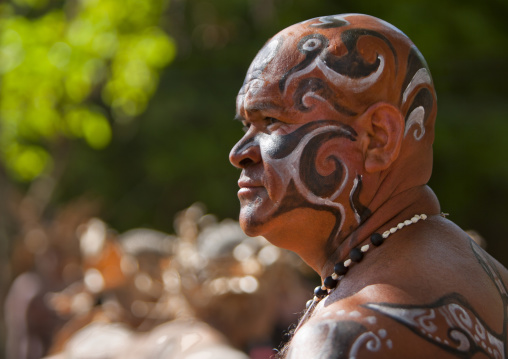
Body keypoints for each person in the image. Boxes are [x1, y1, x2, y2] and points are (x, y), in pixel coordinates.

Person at [229, 13, 508, 358]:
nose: (238, 153)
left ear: (378, 138)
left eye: (271, 120)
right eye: (246, 125)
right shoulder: (495, 282)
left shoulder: (341, 339)